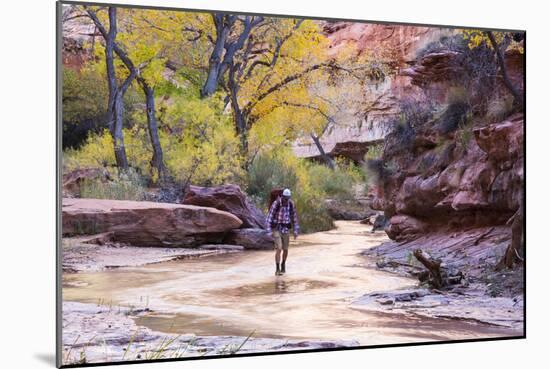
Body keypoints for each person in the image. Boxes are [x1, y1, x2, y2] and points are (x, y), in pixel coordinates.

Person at [265, 188, 299, 276]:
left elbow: (294, 218)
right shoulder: (276, 204)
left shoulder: (291, 204)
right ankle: (277, 268)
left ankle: (283, 264)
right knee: (279, 248)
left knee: (286, 249)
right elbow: (269, 218)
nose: (286, 200)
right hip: (276, 229)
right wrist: (269, 231)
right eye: (285, 198)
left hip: (286, 229)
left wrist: (295, 230)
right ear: (282, 196)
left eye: (288, 198)